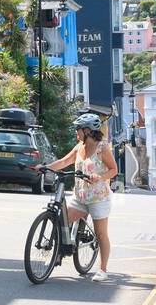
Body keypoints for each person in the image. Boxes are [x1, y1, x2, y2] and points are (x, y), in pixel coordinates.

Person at [41, 113, 117, 282]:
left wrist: (100, 177)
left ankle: (103, 269)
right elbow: (62, 162)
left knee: (101, 234)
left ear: (88, 131)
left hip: (98, 198)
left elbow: (113, 170)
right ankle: (58, 254)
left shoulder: (102, 148)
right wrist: (45, 167)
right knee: (62, 220)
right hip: (80, 197)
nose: (76, 131)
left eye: (78, 129)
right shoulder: (78, 147)